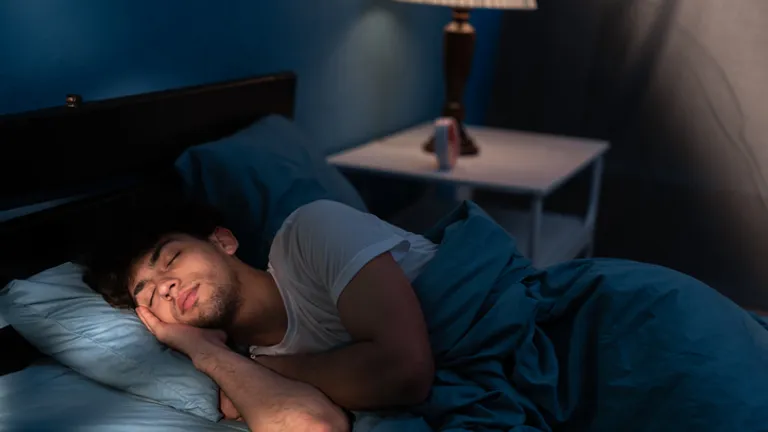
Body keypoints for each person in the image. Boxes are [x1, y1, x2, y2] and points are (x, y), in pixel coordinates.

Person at [83, 199, 437, 432]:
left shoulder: (312, 231)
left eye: (172, 258)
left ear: (223, 242)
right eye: (149, 294)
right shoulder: (241, 376)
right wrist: (207, 353)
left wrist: (272, 369)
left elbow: (405, 372)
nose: (167, 287)